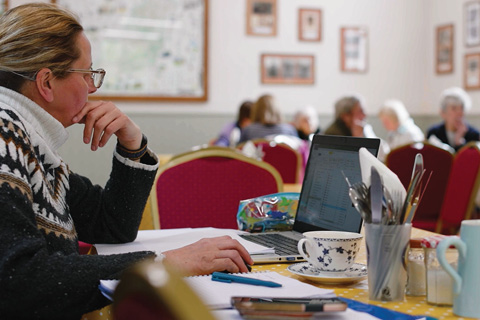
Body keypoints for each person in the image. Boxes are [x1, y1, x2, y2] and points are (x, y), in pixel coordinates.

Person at [0, 4, 252, 319]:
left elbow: (112, 225)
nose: (93, 88)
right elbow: (19, 283)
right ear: (46, 83)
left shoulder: (30, 142)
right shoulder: (5, 139)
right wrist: (164, 263)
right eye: (87, 74)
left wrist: (132, 144)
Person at [427, 87, 480, 151]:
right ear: (443, 113)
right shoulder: (434, 133)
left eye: (462, 108)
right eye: (454, 108)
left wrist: (459, 142)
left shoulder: (474, 135)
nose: (459, 113)